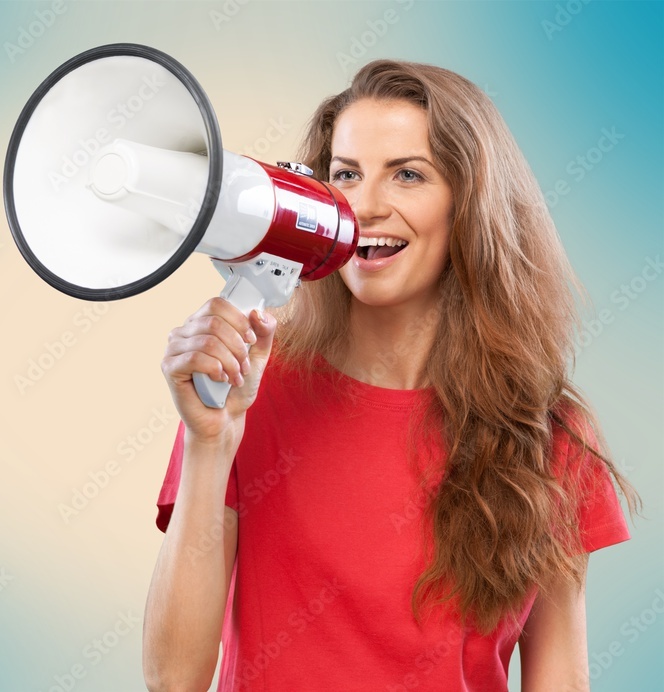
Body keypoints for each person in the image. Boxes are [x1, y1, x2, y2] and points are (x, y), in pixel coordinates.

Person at [142, 59, 641, 692]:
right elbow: (172, 678)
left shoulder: (549, 432)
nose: (367, 206)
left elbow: (560, 679)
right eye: (346, 174)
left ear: (470, 204)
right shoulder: (244, 390)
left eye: (408, 174)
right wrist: (211, 444)